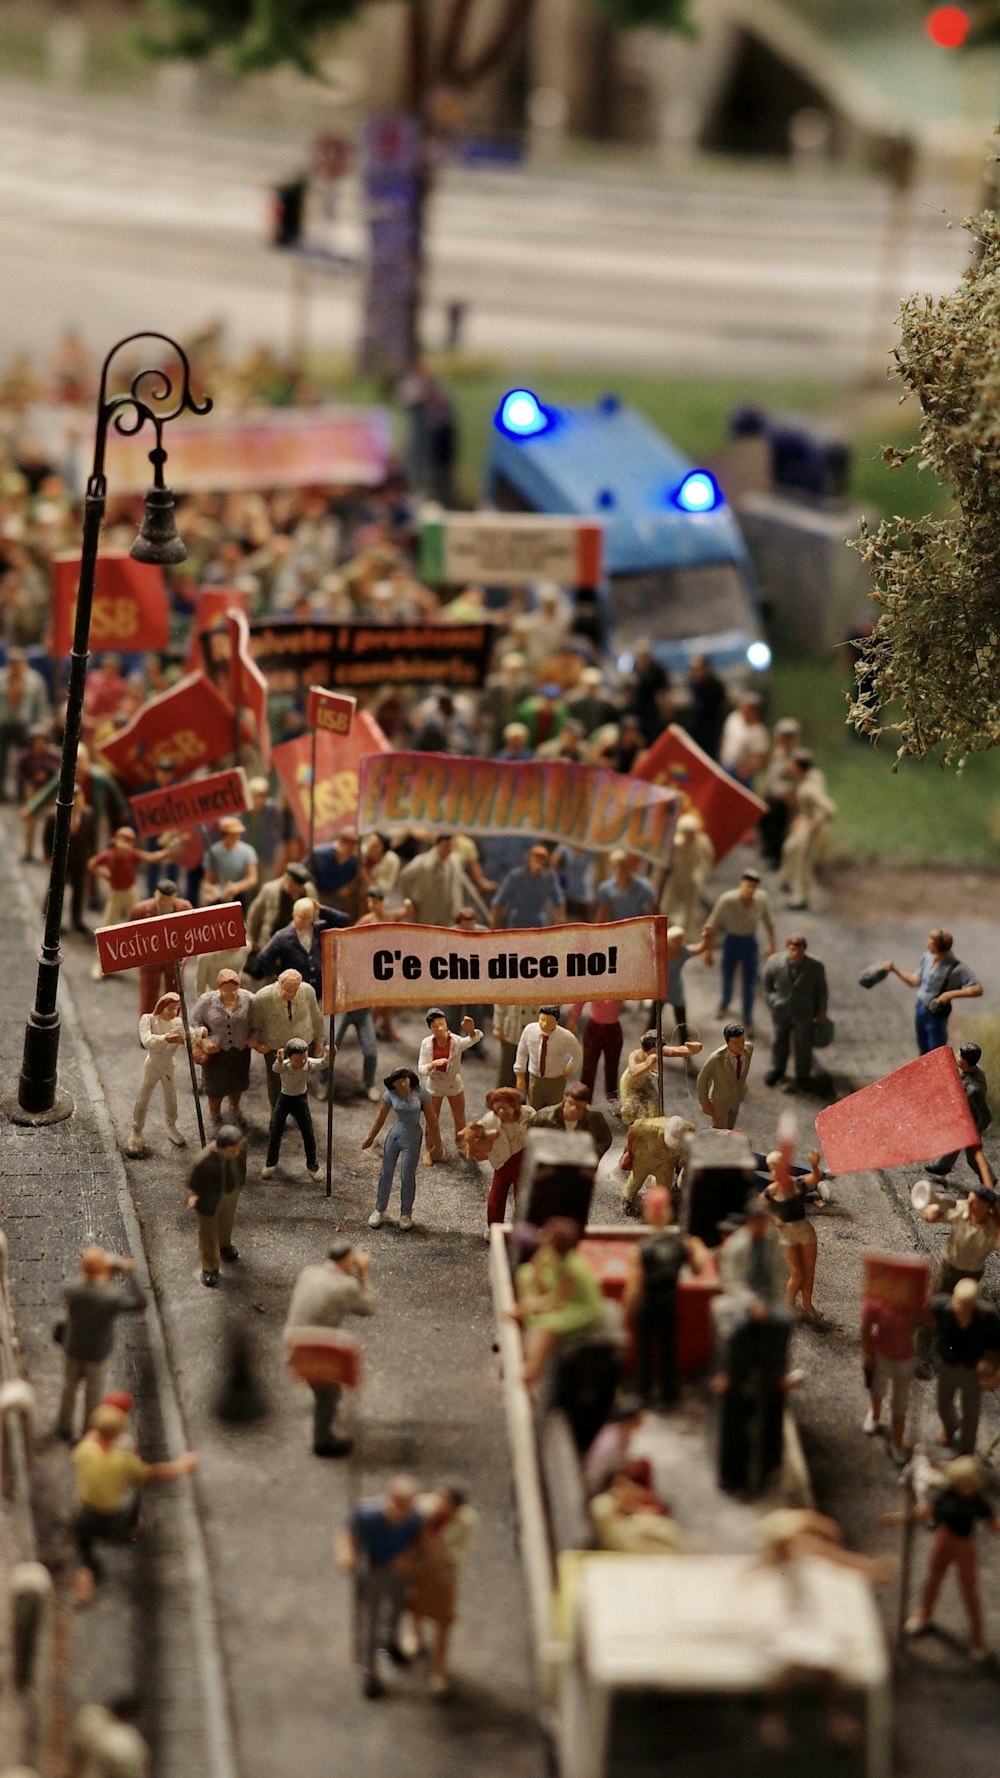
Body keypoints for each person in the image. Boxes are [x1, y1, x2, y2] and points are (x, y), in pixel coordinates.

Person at [72, 1404, 198, 1605]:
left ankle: (83, 1573)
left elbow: (89, 1441)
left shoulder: (84, 1451)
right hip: (114, 1519)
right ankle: (130, 1527)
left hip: (88, 1516)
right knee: (134, 1492)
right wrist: (180, 1466)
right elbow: (152, 1474)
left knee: (80, 1543)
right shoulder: (124, 1460)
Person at [891, 1456, 1000, 1658]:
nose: (960, 1485)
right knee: (933, 1579)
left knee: (969, 1590)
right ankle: (923, 1615)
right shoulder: (946, 1494)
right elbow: (925, 1512)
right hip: (944, 1539)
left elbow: (993, 1525)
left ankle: (977, 1639)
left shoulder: (979, 1502)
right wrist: (902, 1518)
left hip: (965, 1545)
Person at [334, 1475, 424, 1698]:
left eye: (410, 1503)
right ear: (392, 1497)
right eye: (403, 1503)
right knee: (370, 1620)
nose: (406, 1508)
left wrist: (410, 1557)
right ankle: (369, 1672)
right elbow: (346, 1533)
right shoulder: (367, 1513)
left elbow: (418, 1540)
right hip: (373, 1570)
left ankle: (390, 1643)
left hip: (399, 1573)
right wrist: (347, 1554)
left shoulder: (414, 1517)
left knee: (396, 1610)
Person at [284, 1239, 376, 1456]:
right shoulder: (345, 1286)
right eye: (352, 1260)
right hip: (314, 1346)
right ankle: (322, 1440)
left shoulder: (309, 1272)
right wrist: (363, 1274)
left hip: (292, 1338)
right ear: (344, 1260)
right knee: (329, 1394)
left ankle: (321, 1407)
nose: (354, 1263)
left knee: (322, 1389)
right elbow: (369, 1307)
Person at [622, 1186, 708, 1404]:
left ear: (647, 1214)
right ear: (670, 1213)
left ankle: (643, 1392)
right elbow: (699, 1269)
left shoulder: (641, 1248)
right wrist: (699, 1248)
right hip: (669, 1302)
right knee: (668, 1348)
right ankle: (670, 1393)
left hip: (646, 1304)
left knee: (644, 1349)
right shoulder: (683, 1244)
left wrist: (624, 1311)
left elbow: (635, 1286)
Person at [56, 1247, 144, 1442]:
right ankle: (89, 1431)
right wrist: (129, 1272)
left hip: (73, 1348)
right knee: (93, 1396)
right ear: (103, 1271)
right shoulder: (111, 1297)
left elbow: (79, 1283)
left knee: (68, 1390)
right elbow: (139, 1303)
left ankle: (64, 1427)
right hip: (97, 1353)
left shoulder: (72, 1290)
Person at [509, 1217, 604, 1390]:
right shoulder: (547, 1249)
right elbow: (535, 1268)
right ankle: (529, 1321)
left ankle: (532, 1371)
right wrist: (533, 1294)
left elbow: (557, 1301)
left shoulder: (572, 1268)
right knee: (524, 1274)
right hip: (555, 1288)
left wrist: (529, 1306)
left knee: (550, 1323)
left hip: (579, 1305)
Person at [408, 1484, 479, 1694]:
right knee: (414, 1602)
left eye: (443, 1501)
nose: (436, 1502)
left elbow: (457, 1557)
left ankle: (438, 1670)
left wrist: (433, 1545)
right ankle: (414, 1633)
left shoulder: (465, 1522)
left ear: (454, 1508)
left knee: (443, 1619)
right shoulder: (420, 1508)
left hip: (442, 1576)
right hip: (419, 1568)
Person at [879, 927, 982, 1055]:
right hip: (920, 1009)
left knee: (936, 1051)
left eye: (931, 942)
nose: (927, 944)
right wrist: (895, 970)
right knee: (922, 1049)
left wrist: (949, 995)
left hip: (935, 1014)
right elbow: (914, 981)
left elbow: (977, 989)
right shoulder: (927, 958)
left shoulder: (956, 968)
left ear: (940, 946)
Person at [927, 1278, 1000, 1454]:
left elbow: (997, 1347)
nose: (960, 1307)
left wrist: (994, 1372)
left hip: (971, 1369)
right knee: (943, 1403)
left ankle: (966, 1449)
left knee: (971, 1412)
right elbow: (923, 1319)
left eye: (966, 1304)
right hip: (947, 1365)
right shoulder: (941, 1307)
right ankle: (951, 1426)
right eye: (958, 1302)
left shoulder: (988, 1318)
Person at [861, 1269, 924, 1465]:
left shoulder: (914, 1307)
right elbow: (865, 1326)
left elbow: (928, 1322)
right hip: (882, 1356)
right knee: (878, 1389)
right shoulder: (877, 1304)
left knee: (900, 1403)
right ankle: (876, 1415)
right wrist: (867, 1353)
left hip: (904, 1359)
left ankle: (897, 1443)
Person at [87, 826, 168, 977]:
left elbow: (150, 857)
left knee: (140, 925)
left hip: (131, 892)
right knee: (107, 927)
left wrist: (166, 852)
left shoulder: (133, 855)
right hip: (115, 894)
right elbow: (92, 864)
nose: (126, 844)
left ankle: (146, 962)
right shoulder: (109, 855)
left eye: (130, 841)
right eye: (123, 840)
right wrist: (107, 876)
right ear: (116, 840)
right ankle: (101, 963)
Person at [703, 869, 776, 1032]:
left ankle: (747, 1016)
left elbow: (769, 923)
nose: (750, 891)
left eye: (753, 887)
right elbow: (711, 926)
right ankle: (725, 1001)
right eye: (747, 886)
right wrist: (708, 951)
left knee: (749, 981)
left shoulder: (762, 899)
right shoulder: (727, 900)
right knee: (727, 974)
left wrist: (772, 943)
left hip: (749, 942)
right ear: (741, 885)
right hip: (731, 941)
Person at [362, 1068, 431, 1231]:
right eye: (397, 1083)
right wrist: (370, 1136)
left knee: (407, 1174)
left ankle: (406, 1213)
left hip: (413, 1137)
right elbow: (380, 1117)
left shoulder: (421, 1095)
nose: (401, 1086)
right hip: (395, 1136)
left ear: (409, 1078)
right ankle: (379, 1209)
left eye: (403, 1081)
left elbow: (432, 1119)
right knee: (386, 1172)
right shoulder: (389, 1096)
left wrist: (434, 1142)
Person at [249, 967, 324, 1111]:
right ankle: (277, 1114)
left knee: (301, 1080)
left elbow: (316, 1016)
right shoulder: (262, 998)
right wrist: (257, 1044)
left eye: (294, 989)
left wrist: (319, 1039)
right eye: (287, 989)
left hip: (303, 1044)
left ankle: (298, 1110)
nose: (290, 993)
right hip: (275, 1046)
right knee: (276, 1082)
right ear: (279, 983)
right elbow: (253, 1025)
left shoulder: (307, 991)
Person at [763, 1145, 824, 1322]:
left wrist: (814, 1165)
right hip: (788, 1234)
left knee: (809, 1270)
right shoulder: (772, 1191)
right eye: (773, 1169)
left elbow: (816, 1177)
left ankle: (807, 1303)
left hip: (804, 1230)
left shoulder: (798, 1183)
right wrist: (774, 1218)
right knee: (796, 1273)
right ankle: (788, 1305)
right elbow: (759, 1204)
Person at [762, 933, 829, 1092]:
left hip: (804, 1011)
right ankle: (777, 1070)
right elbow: (767, 986)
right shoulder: (774, 962)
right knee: (778, 1041)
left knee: (803, 1044)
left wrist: (821, 1011)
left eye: (799, 950)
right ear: (788, 948)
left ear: (804, 949)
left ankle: (802, 1075)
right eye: (792, 949)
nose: (796, 953)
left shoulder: (815, 966)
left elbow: (822, 991)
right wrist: (773, 1001)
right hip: (781, 1011)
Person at [190, 968, 255, 1133]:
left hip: (240, 1050)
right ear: (218, 987)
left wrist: (254, 1036)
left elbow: (258, 1021)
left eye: (234, 990)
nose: (230, 994)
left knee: (238, 1082)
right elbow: (194, 1023)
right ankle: (215, 1115)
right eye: (226, 991)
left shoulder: (249, 999)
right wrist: (204, 1040)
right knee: (215, 1087)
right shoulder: (207, 1001)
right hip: (216, 1051)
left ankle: (234, 1108)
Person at [127, 992, 189, 1158]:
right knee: (143, 1097)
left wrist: (202, 1034)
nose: (173, 1013)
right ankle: (136, 1129)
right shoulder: (148, 1020)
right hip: (153, 1065)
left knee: (171, 1098)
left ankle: (171, 1125)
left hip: (168, 1065)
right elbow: (147, 1040)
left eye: (176, 1009)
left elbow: (189, 1036)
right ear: (161, 1006)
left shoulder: (177, 1023)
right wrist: (166, 1038)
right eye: (170, 1008)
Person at [185, 1125, 247, 1288]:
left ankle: (224, 1245)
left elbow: (241, 1166)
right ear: (222, 1147)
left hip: (230, 1193)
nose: (238, 1151)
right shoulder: (204, 1161)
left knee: (227, 1222)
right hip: (209, 1201)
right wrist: (192, 1197)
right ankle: (209, 1267)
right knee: (208, 1233)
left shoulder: (240, 1149)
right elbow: (191, 1184)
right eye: (234, 1149)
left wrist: (239, 1184)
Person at [417, 1009, 482, 1162]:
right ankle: (429, 1147)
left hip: (454, 1083)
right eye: (435, 1026)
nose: (439, 1028)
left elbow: (471, 1041)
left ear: (446, 1023)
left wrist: (471, 1030)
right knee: (432, 1119)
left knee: (459, 1117)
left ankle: (461, 1143)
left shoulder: (455, 1041)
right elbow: (420, 1068)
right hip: (435, 1085)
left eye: (442, 1024)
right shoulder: (426, 1044)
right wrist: (432, 1064)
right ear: (430, 1028)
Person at [262, 1038, 329, 1181]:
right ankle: (271, 1163)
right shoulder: (284, 1065)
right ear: (289, 1057)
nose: (302, 1062)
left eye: (304, 1058)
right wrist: (279, 1060)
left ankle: (313, 1165)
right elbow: (275, 1068)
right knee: (275, 1131)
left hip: (300, 1099)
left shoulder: (309, 1063)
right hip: (284, 1098)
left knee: (308, 1133)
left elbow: (323, 1063)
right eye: (299, 1059)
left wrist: (328, 1055)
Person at [255, 895, 349, 997]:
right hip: (298, 990)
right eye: (301, 917)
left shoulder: (319, 929)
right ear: (294, 915)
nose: (304, 921)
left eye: (308, 918)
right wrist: (280, 977)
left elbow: (344, 920)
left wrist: (321, 909)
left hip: (322, 987)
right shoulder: (282, 936)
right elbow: (264, 957)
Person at [921, 1179, 1000, 1297]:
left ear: (986, 1208)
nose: (968, 1204)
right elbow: (936, 1215)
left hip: (972, 1271)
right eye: (969, 1199)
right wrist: (932, 1213)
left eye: (974, 1202)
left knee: (962, 1300)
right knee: (938, 1296)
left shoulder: (992, 1227)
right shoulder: (962, 1210)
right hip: (950, 1266)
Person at [779, 750, 837, 910]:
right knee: (789, 848)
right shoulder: (814, 775)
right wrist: (801, 816)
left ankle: (801, 897)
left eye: (792, 764)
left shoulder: (809, 789)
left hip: (811, 826)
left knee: (803, 862)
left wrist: (816, 823)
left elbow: (830, 809)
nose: (790, 766)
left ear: (799, 767)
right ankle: (788, 881)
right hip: (805, 820)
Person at [926, 1042, 992, 1180]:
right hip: (963, 1117)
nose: (956, 1056)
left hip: (971, 1124)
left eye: (959, 1056)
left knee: (972, 1157)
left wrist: (973, 1131)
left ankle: (989, 1179)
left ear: (967, 1062)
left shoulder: (974, 1090)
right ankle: (942, 1166)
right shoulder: (974, 1069)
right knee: (955, 1140)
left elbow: (985, 1117)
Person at [127, 880, 193, 1015]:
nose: (164, 902)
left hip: (174, 958)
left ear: (175, 897)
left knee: (174, 995)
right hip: (151, 958)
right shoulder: (140, 910)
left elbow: (191, 932)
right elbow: (129, 933)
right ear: (156, 894)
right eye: (161, 899)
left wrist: (187, 955)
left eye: (168, 900)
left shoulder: (185, 908)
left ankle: (173, 1025)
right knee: (148, 994)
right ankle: (147, 1027)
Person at [473, 1088, 535, 1229]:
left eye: (504, 1108)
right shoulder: (489, 1120)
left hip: (522, 1160)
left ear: (515, 1106)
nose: (501, 1112)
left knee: (523, 1196)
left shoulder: (528, 1115)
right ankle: (494, 1227)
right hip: (502, 1161)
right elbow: (477, 1134)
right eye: (497, 1109)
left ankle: (522, 1226)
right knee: (497, 1196)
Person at [590, 1460, 683, 1555]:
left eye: (636, 1486)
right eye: (620, 1486)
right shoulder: (604, 1508)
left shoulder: (657, 1523)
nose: (628, 1491)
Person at [397, 834, 489, 926]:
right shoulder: (422, 862)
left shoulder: (454, 862)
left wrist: (485, 914)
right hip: (427, 913)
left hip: (450, 915)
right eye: (446, 846)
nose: (448, 850)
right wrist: (410, 901)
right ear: (439, 845)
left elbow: (467, 887)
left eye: (451, 846)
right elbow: (403, 878)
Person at [618, 1030, 702, 1126]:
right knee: (634, 1112)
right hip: (630, 1084)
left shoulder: (658, 1051)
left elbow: (675, 1051)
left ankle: (654, 1130)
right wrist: (646, 1064)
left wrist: (692, 1050)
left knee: (655, 1107)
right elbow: (634, 1071)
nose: (661, 1051)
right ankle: (634, 1135)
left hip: (644, 1082)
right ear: (651, 1048)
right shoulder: (635, 1055)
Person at [245, 859, 317, 961]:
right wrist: (250, 938)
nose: (297, 890)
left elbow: (316, 915)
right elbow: (254, 913)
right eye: (294, 886)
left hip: (300, 942)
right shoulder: (270, 889)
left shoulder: (309, 890)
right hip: (273, 939)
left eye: (299, 887)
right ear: (287, 879)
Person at [659, 813, 715, 943]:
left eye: (691, 833)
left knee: (689, 911)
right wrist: (659, 878)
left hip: (691, 879)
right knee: (666, 906)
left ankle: (684, 936)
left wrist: (701, 874)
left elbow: (708, 858)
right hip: (675, 878)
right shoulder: (674, 842)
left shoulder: (702, 842)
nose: (689, 836)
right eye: (686, 833)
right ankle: (661, 931)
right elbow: (664, 861)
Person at [514, 1006, 582, 1111]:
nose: (545, 1024)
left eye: (550, 1022)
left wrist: (569, 1070)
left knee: (555, 1109)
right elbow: (522, 1053)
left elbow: (577, 1054)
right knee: (533, 1108)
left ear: (557, 1021)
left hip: (555, 1079)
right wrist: (520, 1077)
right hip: (535, 1079)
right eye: (542, 1020)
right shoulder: (529, 1030)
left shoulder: (565, 1037)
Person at [532, 1081, 614, 1162]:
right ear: (565, 1099)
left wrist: (591, 1154)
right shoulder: (545, 1117)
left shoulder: (595, 1118)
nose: (574, 1109)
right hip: (550, 1161)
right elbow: (531, 1137)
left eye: (579, 1107)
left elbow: (605, 1140)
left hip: (580, 1163)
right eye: (571, 1104)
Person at [758, 717, 801, 868]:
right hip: (772, 793)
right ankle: (768, 849)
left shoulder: (795, 757)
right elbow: (772, 775)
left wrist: (789, 794)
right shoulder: (778, 753)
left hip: (784, 798)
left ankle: (776, 856)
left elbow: (796, 780)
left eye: (789, 736)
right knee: (765, 821)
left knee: (778, 826)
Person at [490, 843, 565, 929]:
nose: (538, 860)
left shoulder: (549, 878)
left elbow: (559, 902)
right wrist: (494, 927)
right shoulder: (516, 876)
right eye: (535, 857)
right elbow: (499, 902)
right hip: (517, 921)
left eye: (542, 858)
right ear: (529, 858)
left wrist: (560, 925)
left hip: (538, 922)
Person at [697, 1023, 753, 1129]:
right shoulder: (716, 1059)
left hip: (737, 1097)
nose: (740, 1045)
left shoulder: (749, 1050)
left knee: (731, 1127)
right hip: (720, 1101)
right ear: (727, 1042)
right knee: (719, 1130)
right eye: (736, 1043)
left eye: (742, 1041)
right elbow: (702, 1080)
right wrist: (705, 1103)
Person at [664, 923, 710, 1046]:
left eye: (681, 940)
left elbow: (701, 948)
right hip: (662, 987)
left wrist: (706, 938)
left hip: (675, 988)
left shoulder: (683, 952)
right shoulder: (661, 951)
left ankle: (685, 1047)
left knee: (681, 1020)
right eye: (677, 941)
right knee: (653, 1018)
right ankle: (647, 1047)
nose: (680, 943)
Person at [202, 816, 258, 911]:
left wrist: (237, 887)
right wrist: (211, 890)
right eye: (232, 834)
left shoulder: (248, 851)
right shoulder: (213, 853)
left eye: (237, 834)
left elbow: (252, 878)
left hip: (240, 895)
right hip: (220, 894)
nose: (236, 836)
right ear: (225, 835)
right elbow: (208, 880)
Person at [719, 690, 768, 786]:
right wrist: (723, 754)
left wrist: (747, 769)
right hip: (727, 765)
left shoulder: (759, 731)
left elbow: (762, 758)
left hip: (742, 773)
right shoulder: (733, 718)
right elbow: (725, 737)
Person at [593, 850, 656, 924]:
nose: (620, 870)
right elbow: (602, 915)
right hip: (616, 927)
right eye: (617, 866)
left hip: (637, 927)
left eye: (624, 866)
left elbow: (654, 911)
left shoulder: (644, 886)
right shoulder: (606, 888)